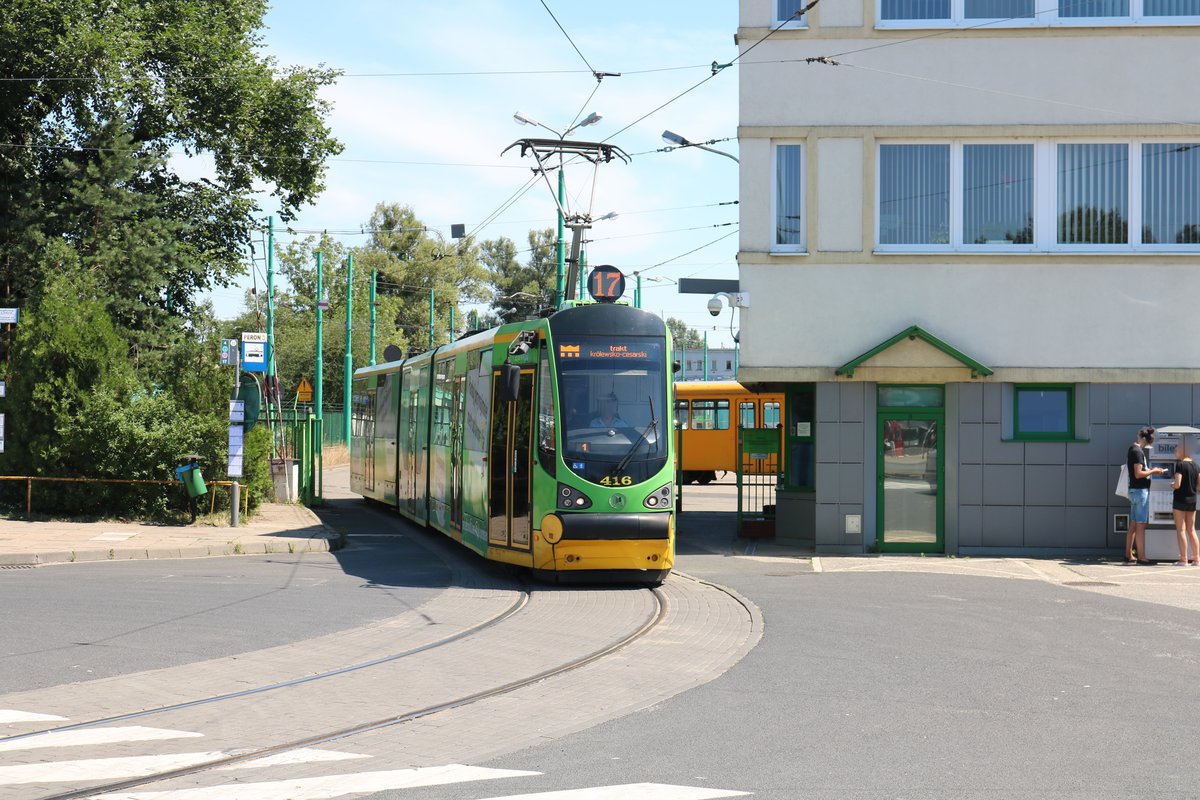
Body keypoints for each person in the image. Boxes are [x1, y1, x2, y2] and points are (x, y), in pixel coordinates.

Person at [1126, 427, 1166, 564]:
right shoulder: (1137, 452)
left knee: (1133, 524)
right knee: (1141, 525)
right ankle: (1141, 557)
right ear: (1143, 439)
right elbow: (1138, 474)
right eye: (1148, 443)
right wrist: (1153, 471)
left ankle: (1129, 555)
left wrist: (1150, 470)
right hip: (1140, 491)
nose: (1148, 446)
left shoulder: (1133, 449)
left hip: (1134, 491)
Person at [1171, 442, 1199, 566]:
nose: (1175, 452)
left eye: (1176, 450)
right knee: (1191, 529)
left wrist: (1172, 485)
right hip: (1192, 500)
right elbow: (1199, 485)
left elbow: (1177, 484)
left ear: (1183, 450)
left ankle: (1183, 559)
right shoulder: (1196, 465)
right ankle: (1197, 559)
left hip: (1180, 500)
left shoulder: (1180, 465)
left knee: (1181, 530)